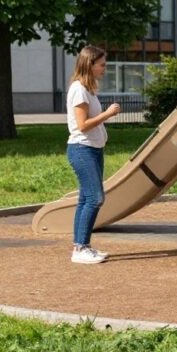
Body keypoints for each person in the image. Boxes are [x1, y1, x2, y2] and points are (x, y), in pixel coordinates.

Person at [66, 45, 122, 264]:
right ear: (90, 64)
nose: (104, 69)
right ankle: (80, 249)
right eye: (102, 64)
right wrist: (107, 114)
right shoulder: (79, 89)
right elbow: (82, 125)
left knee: (85, 199)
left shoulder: (88, 89)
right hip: (82, 149)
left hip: (93, 149)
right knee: (96, 198)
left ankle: (82, 246)